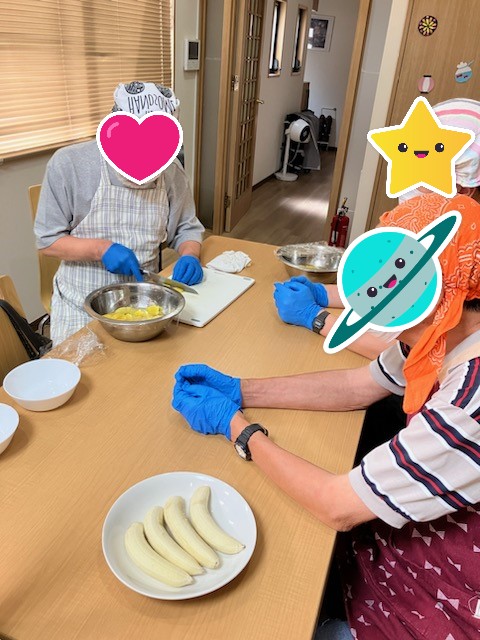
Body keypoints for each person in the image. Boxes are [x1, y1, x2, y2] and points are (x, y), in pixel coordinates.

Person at [172, 194, 480, 638]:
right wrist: (241, 389)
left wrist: (237, 428)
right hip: (400, 542)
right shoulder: (438, 336)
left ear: (440, 293)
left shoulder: (467, 408)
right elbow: (358, 386)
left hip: (443, 600)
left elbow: (337, 506)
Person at [273, 98, 480, 361]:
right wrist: (322, 293)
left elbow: (412, 355)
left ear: (463, 187)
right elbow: (386, 288)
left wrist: (316, 318)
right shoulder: (434, 225)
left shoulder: (466, 258)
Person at [34, 81, 204, 345]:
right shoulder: (70, 165)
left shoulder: (172, 172)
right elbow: (48, 241)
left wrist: (190, 254)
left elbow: (186, 228)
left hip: (145, 299)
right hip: (80, 300)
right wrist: (101, 250)